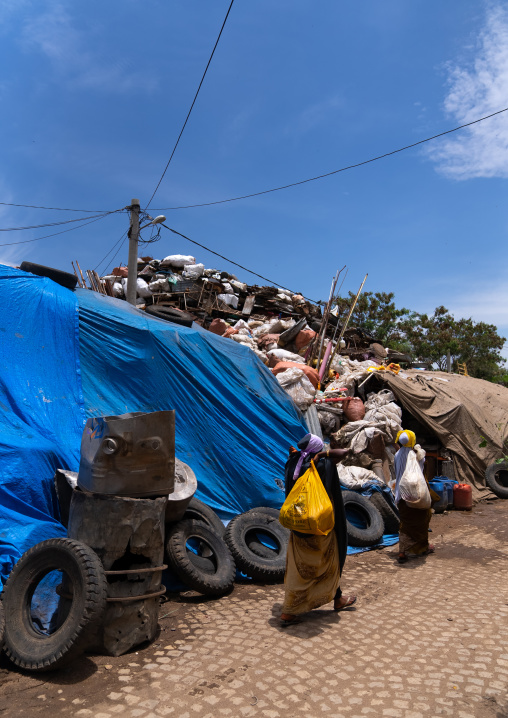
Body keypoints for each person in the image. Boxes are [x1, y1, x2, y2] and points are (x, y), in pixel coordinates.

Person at [280, 433, 357, 626]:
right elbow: (346, 452)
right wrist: (323, 455)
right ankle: (289, 610)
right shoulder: (323, 465)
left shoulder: (292, 463)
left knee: (299, 568)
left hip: (298, 526)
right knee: (328, 564)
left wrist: (303, 454)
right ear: (317, 449)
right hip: (320, 527)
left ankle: (337, 598)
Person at [394, 429, 436, 564]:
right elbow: (421, 470)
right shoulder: (417, 456)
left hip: (401, 495)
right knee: (422, 522)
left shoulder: (396, 455)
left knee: (405, 524)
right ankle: (423, 548)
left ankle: (402, 552)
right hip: (417, 495)